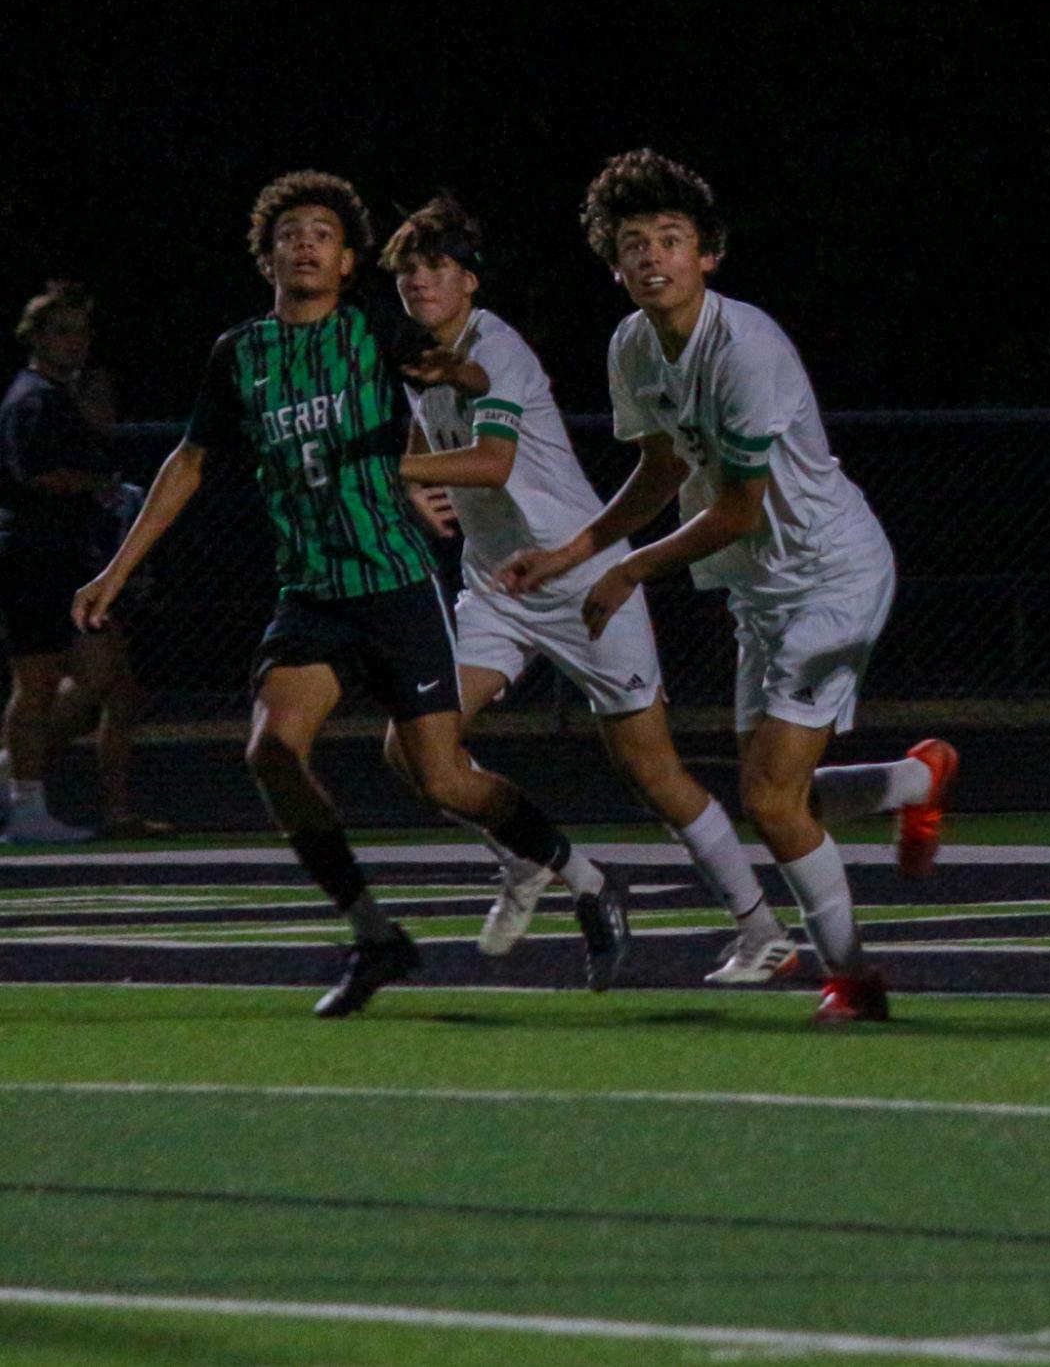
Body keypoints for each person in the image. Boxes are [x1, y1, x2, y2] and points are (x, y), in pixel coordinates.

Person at [72, 171, 629, 1016]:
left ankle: (584, 878)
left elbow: (455, 376)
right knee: (270, 752)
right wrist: (114, 568)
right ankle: (373, 935)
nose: (304, 243)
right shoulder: (241, 354)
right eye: (289, 232)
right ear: (266, 254)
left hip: (395, 586)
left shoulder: (374, 329)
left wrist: (464, 379)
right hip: (311, 594)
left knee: (442, 779)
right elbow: (189, 463)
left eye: (322, 234)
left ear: (346, 261)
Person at [498, 149, 955, 1024]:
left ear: (707, 254)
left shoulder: (746, 347)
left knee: (773, 800)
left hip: (831, 574)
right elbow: (662, 470)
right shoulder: (632, 347)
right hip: (760, 590)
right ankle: (912, 780)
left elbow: (740, 508)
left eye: (671, 239)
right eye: (633, 243)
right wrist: (572, 553)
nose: (652, 257)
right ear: (613, 262)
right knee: (775, 796)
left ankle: (854, 980)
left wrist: (627, 568)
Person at [384, 193, 798, 981]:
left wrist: (384, 468)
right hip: (498, 585)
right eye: (407, 270)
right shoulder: (417, 354)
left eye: (435, 266)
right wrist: (411, 477)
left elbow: (492, 459)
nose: (418, 281)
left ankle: (762, 928)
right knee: (416, 750)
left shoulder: (494, 347)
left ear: (470, 281)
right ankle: (530, 858)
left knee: (653, 772)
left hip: (580, 578)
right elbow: (431, 417)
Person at [0, 282, 171, 843]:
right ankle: (26, 806)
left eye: (82, 331)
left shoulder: (63, 395)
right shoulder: (33, 398)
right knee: (37, 681)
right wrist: (99, 485)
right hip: (35, 558)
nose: (76, 342)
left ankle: (17, 772)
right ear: (36, 337)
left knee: (103, 678)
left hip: (73, 560)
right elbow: (35, 474)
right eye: (62, 330)